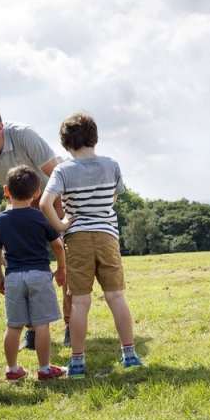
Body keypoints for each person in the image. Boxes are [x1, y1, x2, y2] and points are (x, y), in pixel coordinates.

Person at [40, 112, 142, 378]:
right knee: (116, 296)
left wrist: (61, 225)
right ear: (95, 138)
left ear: (65, 143)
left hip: (78, 239)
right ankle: (129, 354)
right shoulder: (111, 165)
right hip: (107, 236)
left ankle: (76, 362)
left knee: (80, 303)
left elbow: (44, 203)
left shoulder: (63, 170)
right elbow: (113, 197)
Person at [0, 105, 70, 350]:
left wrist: (58, 212)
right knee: (21, 264)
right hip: (18, 203)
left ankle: (69, 326)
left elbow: (57, 175)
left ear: (0, 127)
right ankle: (32, 332)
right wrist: (2, 217)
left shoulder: (24, 135)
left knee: (67, 256)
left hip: (53, 196)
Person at [0, 165, 67, 381]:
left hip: (13, 277)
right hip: (40, 275)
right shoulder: (40, 217)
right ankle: (44, 369)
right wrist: (61, 269)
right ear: (36, 193)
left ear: (6, 191)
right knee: (42, 324)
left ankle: (12, 369)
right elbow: (58, 246)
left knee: (13, 325)